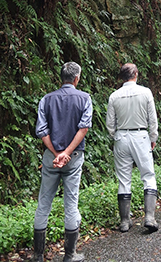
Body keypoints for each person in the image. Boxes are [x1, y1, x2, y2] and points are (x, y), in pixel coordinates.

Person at [33, 62, 93, 262]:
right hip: (73, 158)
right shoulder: (85, 98)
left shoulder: (46, 99)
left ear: (62, 78)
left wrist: (56, 152)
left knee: (44, 202)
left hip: (51, 158)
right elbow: (83, 128)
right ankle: (69, 254)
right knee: (71, 203)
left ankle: (38, 255)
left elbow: (42, 130)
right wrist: (66, 153)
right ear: (76, 79)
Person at [106, 63, 159, 233]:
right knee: (148, 175)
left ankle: (124, 221)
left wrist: (116, 136)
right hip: (140, 136)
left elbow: (109, 124)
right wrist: (153, 137)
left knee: (124, 179)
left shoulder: (114, 96)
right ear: (136, 74)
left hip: (121, 137)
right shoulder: (145, 92)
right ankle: (149, 217)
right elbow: (153, 119)